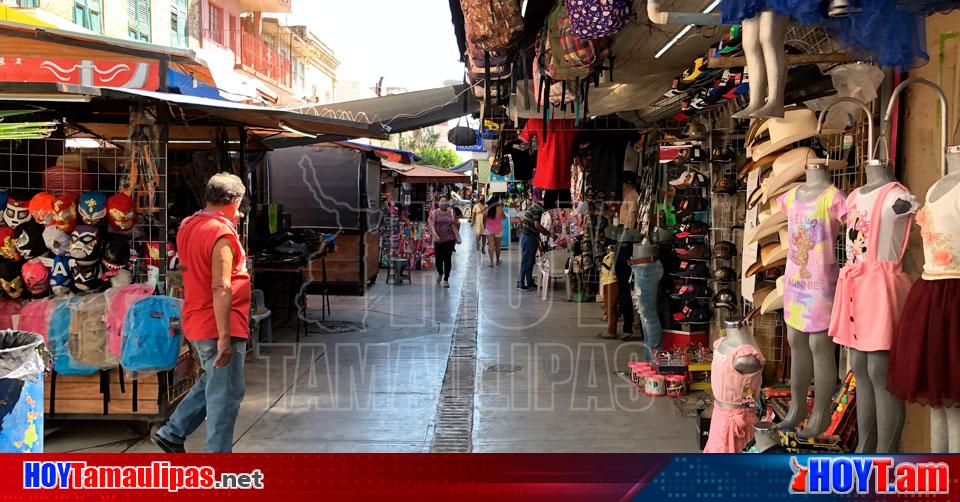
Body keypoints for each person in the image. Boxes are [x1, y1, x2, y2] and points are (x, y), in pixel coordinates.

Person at [152, 173, 250, 453]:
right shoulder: (221, 233)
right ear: (234, 201)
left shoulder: (189, 224)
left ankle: (173, 432)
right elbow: (220, 285)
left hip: (197, 318)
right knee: (226, 397)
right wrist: (224, 337)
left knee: (215, 382)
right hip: (218, 323)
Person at [518, 192, 548, 291]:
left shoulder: (537, 207)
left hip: (531, 237)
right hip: (528, 238)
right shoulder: (537, 208)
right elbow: (537, 225)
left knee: (530, 261)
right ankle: (521, 283)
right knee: (526, 261)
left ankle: (529, 282)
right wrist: (547, 233)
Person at [429, 196, 459, 288]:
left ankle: (446, 279)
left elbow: (457, 223)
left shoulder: (451, 212)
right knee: (438, 260)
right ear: (439, 203)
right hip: (438, 240)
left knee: (447, 259)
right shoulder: (435, 213)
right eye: (441, 202)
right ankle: (440, 273)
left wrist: (455, 222)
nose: (443, 204)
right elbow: (431, 224)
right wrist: (435, 234)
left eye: (445, 202)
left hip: (449, 239)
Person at [484, 198, 505, 267]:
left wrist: (485, 225)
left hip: (489, 229)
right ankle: (498, 261)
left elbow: (483, 219)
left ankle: (491, 262)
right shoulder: (500, 209)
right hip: (498, 229)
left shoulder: (487, 209)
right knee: (498, 246)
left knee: (490, 245)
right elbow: (504, 217)